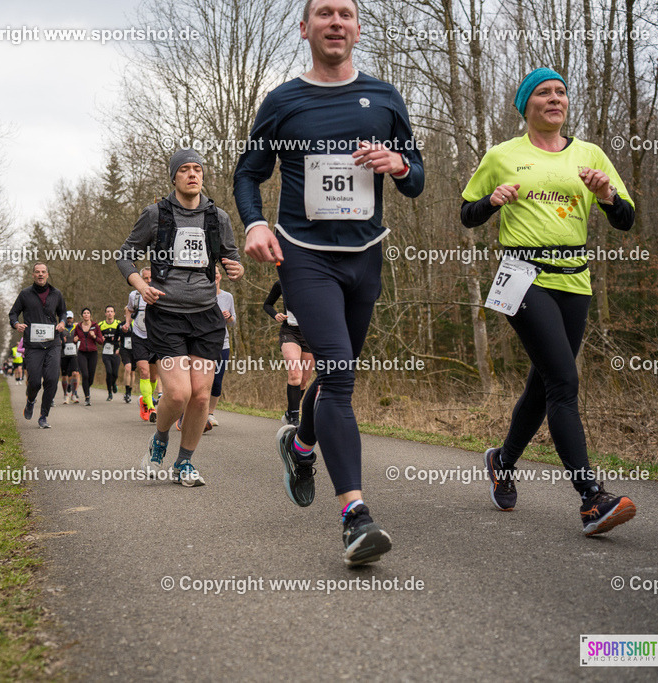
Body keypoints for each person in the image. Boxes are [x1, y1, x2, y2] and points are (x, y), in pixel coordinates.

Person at [234, 0, 424, 565]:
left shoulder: (386, 97)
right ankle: (355, 517)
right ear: (305, 28)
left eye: (345, 13)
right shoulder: (283, 101)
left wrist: (399, 164)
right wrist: (254, 223)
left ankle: (299, 446)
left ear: (358, 28)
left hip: (366, 255)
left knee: (339, 376)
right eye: (324, 13)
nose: (335, 22)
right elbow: (249, 171)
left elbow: (416, 177)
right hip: (304, 256)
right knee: (338, 376)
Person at [461, 68, 637, 535]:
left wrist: (606, 194)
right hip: (523, 277)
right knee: (563, 379)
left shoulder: (590, 154)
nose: (555, 99)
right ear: (527, 105)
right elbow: (468, 213)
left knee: (544, 383)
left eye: (560, 92)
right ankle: (590, 497)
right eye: (544, 93)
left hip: (575, 279)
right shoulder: (502, 155)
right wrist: (493, 201)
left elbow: (625, 219)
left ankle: (503, 460)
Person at [118, 149, 243, 486]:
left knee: (201, 396)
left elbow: (232, 258)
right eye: (185, 169)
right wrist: (141, 284)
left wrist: (236, 268)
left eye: (197, 169)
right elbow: (124, 256)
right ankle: (159, 440)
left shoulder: (219, 217)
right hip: (168, 315)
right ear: (173, 177)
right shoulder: (155, 214)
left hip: (206, 317)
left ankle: (184, 463)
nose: (192, 174)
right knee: (177, 394)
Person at [8, 262, 67, 428]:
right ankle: (31, 400)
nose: (40, 274)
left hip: (53, 342)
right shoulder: (25, 294)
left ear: (47, 274)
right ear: (33, 275)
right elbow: (13, 313)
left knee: (52, 379)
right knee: (34, 382)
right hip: (33, 345)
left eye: (43, 272)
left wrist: (62, 322)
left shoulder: (56, 293)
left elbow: (62, 312)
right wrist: (16, 324)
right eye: (37, 272)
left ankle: (43, 416)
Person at [263, 280, 314, 426]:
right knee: (295, 373)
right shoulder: (282, 283)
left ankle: (290, 411)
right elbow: (267, 304)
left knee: (304, 379)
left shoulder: (317, 282)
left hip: (310, 334)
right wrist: (275, 315)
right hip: (290, 332)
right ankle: (294, 418)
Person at [127, 267, 159, 422]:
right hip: (139, 337)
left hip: (156, 338)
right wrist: (127, 323)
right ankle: (151, 407)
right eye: (145, 278)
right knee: (144, 373)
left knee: (154, 377)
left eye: (150, 278)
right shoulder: (134, 295)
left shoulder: (160, 293)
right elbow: (128, 310)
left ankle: (146, 400)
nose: (148, 281)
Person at [206, 265, 236, 428]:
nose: (215, 276)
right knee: (203, 381)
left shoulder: (228, 297)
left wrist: (229, 317)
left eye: (216, 273)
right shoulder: (202, 295)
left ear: (220, 276)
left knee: (217, 381)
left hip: (222, 343)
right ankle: (196, 412)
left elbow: (233, 322)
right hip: (204, 344)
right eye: (212, 273)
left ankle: (210, 414)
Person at [72, 307, 103, 406]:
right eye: (84, 313)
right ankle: (87, 397)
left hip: (93, 353)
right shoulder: (78, 327)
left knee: (90, 377)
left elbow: (101, 341)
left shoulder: (95, 326)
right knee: (85, 374)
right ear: (82, 316)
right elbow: (74, 339)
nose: (86, 314)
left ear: (90, 315)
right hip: (81, 353)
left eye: (88, 313)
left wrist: (94, 336)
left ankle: (86, 387)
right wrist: (75, 340)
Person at [99, 306, 123, 401]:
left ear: (114, 313)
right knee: (109, 372)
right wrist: (100, 338)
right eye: (108, 311)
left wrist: (120, 338)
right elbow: (96, 335)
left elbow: (124, 335)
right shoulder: (101, 324)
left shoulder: (118, 323)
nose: (109, 313)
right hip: (106, 352)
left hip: (115, 352)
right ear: (105, 313)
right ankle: (109, 392)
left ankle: (113, 383)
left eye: (111, 311)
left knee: (115, 374)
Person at [60, 311, 80, 403]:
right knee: (64, 376)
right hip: (63, 355)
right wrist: (60, 340)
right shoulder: (61, 328)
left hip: (73, 354)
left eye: (70, 318)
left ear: (73, 318)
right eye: (67, 318)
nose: (69, 320)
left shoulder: (76, 327)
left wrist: (78, 338)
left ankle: (73, 394)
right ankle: (65, 395)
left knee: (75, 373)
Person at [120, 312, 135, 403]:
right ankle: (126, 392)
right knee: (127, 368)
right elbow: (117, 336)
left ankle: (129, 392)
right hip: (125, 349)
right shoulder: (121, 325)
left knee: (132, 372)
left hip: (135, 350)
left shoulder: (138, 324)